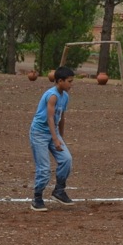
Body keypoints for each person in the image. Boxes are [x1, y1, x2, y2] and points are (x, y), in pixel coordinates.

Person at [29, 66, 76, 211]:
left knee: (66, 160)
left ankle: (59, 191)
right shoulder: (52, 96)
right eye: (69, 81)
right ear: (60, 81)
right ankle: (37, 198)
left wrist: (60, 137)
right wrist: (55, 139)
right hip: (39, 133)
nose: (71, 84)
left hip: (53, 132)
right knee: (44, 169)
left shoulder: (65, 96)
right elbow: (50, 118)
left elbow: (61, 116)